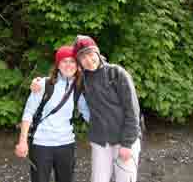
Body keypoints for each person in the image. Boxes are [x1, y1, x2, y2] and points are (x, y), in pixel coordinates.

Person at [31, 35, 142, 182]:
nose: (89, 61)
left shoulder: (117, 73)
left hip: (125, 139)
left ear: (97, 52)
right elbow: (61, 78)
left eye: (90, 54)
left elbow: (133, 112)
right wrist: (38, 82)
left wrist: (127, 144)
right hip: (100, 141)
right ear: (79, 63)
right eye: (83, 58)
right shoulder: (82, 79)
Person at [15, 45, 89, 182]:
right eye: (64, 61)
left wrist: (109, 131)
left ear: (77, 65)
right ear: (58, 65)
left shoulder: (78, 87)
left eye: (72, 61)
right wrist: (22, 141)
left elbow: (87, 114)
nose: (68, 65)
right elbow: (28, 113)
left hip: (66, 144)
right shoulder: (43, 84)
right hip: (41, 144)